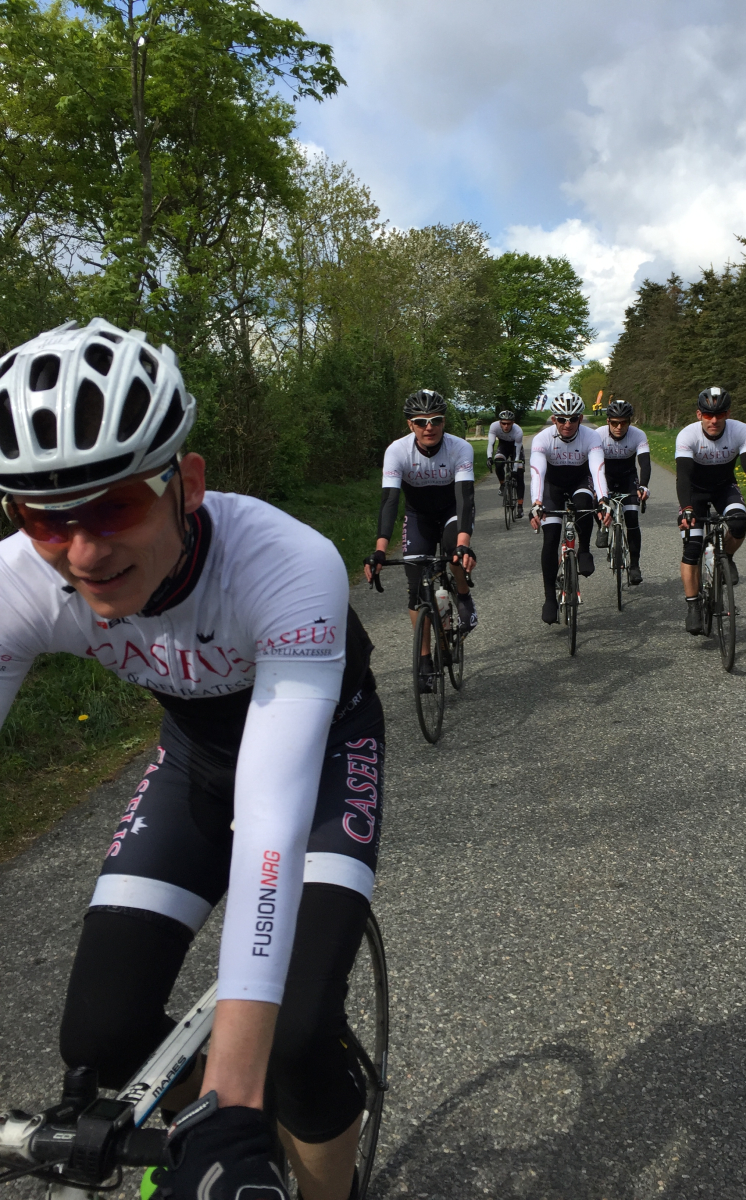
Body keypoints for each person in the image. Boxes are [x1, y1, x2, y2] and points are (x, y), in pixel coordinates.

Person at [0, 318, 383, 1200]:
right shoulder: (22, 581)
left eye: (115, 506)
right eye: (44, 518)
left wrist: (235, 1098)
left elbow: (273, 811)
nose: (83, 552)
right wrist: (218, 1116)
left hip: (323, 757)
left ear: (189, 484)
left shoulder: (284, 562)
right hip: (195, 758)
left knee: (296, 1039)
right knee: (101, 1038)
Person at [365, 390, 476, 690]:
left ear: (444, 422)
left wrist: (464, 544)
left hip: (452, 511)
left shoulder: (459, 448)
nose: (429, 427)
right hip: (418, 516)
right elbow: (390, 501)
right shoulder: (397, 451)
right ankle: (425, 660)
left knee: (453, 549)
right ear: (410, 425)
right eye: (421, 421)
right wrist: (380, 551)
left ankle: (463, 594)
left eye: (436, 420)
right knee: (416, 589)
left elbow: (465, 498)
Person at [676, 387, 746, 635]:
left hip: (724, 488)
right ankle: (693, 606)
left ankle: (726, 557)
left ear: (728, 413)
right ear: (699, 415)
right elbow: (683, 477)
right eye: (708, 415)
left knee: (738, 524)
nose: (714, 420)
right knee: (692, 548)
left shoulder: (742, 431)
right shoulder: (687, 435)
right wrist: (686, 509)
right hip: (695, 492)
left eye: (720, 414)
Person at [529, 391, 610, 625]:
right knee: (551, 537)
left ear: (580, 418)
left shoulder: (591, 437)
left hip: (579, 482)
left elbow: (597, 470)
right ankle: (549, 599)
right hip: (552, 487)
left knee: (584, 504)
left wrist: (603, 500)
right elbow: (537, 473)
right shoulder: (543, 439)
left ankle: (584, 550)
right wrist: (536, 503)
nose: (567, 424)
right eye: (562, 419)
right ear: (554, 419)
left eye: (573, 419)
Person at [594, 399, 650, 585]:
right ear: (608, 421)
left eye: (624, 422)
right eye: (615, 423)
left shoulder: (638, 435)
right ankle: (602, 527)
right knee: (595, 501)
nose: (619, 427)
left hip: (627, 478)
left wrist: (643, 486)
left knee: (632, 518)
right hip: (605, 477)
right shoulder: (598, 435)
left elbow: (645, 463)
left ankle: (634, 566)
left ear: (629, 422)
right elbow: (592, 465)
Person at [486, 409, 525, 519]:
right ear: (500, 423)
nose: (506, 426)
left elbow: (517, 453)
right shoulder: (494, 426)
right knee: (498, 463)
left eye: (508, 423)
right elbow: (491, 443)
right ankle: (503, 484)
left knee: (519, 474)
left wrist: (515, 470)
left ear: (513, 423)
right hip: (503, 446)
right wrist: (489, 458)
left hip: (515, 449)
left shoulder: (518, 431)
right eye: (503, 423)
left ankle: (520, 507)